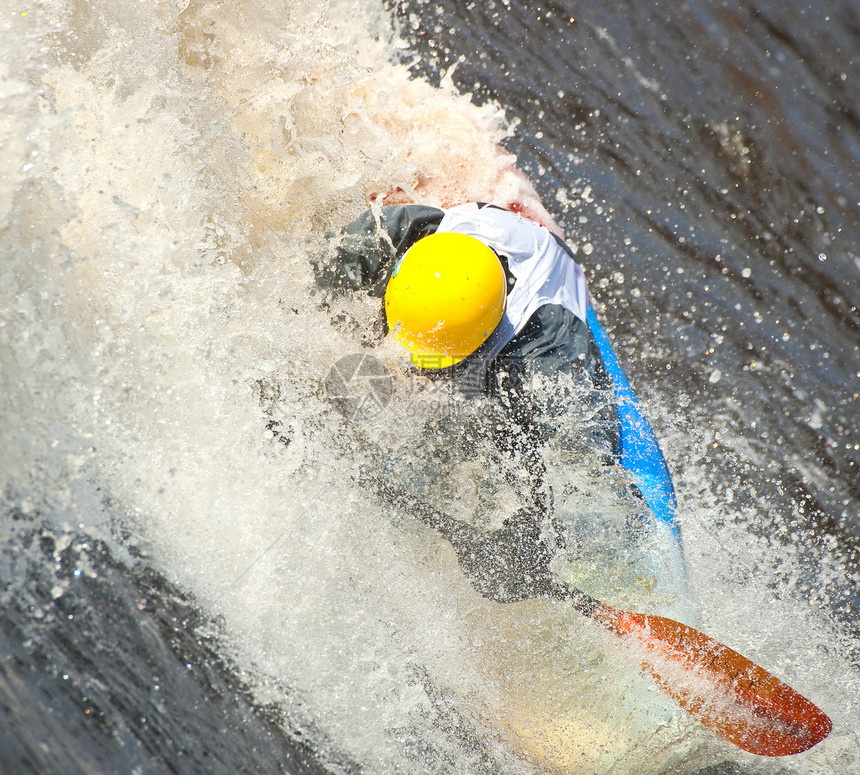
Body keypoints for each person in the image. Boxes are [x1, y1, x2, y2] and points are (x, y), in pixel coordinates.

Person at [320, 201, 684, 607]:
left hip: (542, 312)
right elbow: (305, 278)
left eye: (433, 366)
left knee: (498, 445)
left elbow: (584, 477)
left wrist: (532, 538)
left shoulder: (548, 359)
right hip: (475, 272)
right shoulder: (404, 235)